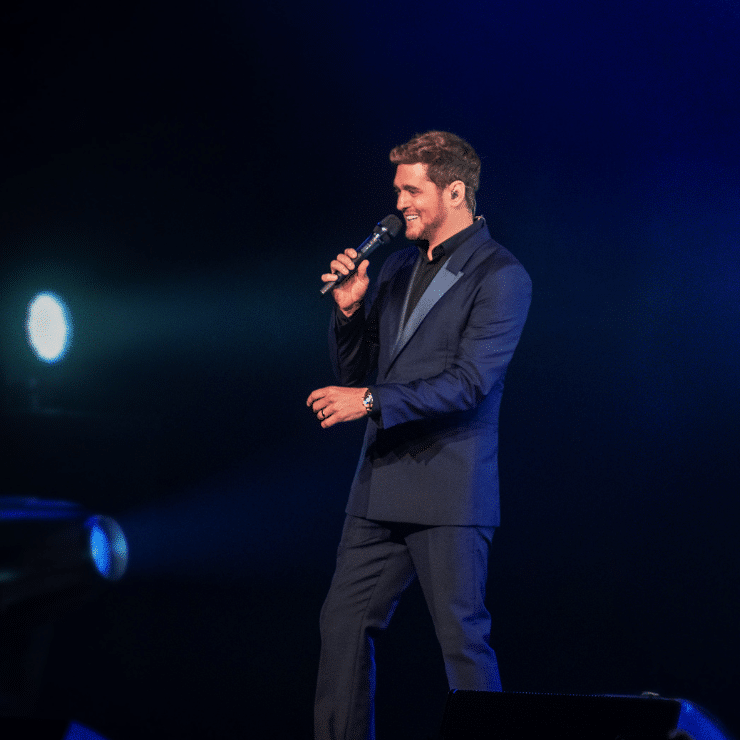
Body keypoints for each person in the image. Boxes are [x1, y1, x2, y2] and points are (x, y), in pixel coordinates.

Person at [307, 130, 532, 740]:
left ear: (454, 192)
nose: (399, 203)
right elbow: (360, 373)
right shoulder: (399, 266)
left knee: (462, 643)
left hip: (448, 488)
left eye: (412, 190)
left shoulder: (501, 275)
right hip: (380, 485)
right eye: (398, 190)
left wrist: (370, 400)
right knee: (342, 625)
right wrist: (349, 311)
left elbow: (468, 384)